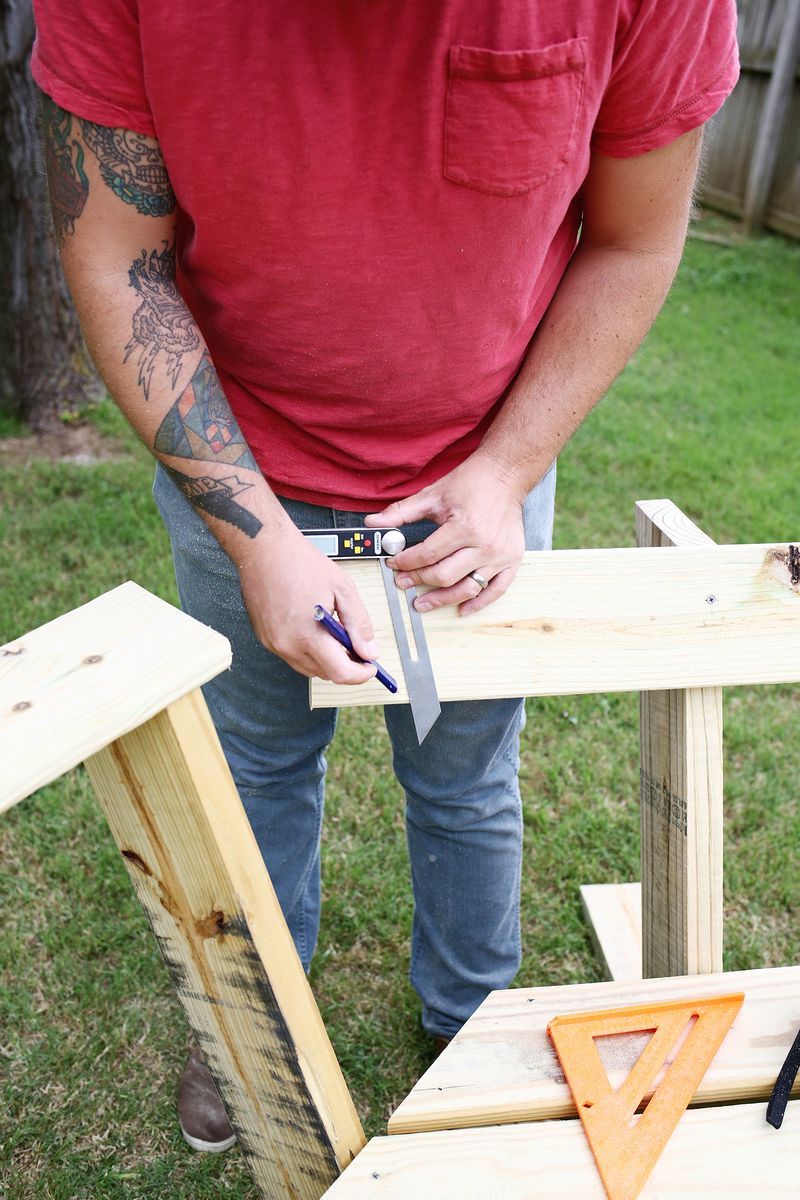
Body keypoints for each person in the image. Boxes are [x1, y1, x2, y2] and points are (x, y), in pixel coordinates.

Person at [32, 0, 738, 1154]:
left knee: (464, 777)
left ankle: (468, 1025)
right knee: (252, 768)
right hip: (238, 467)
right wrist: (259, 539)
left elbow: (634, 238)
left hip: (478, 487)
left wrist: (505, 471)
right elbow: (116, 253)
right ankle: (253, 1028)